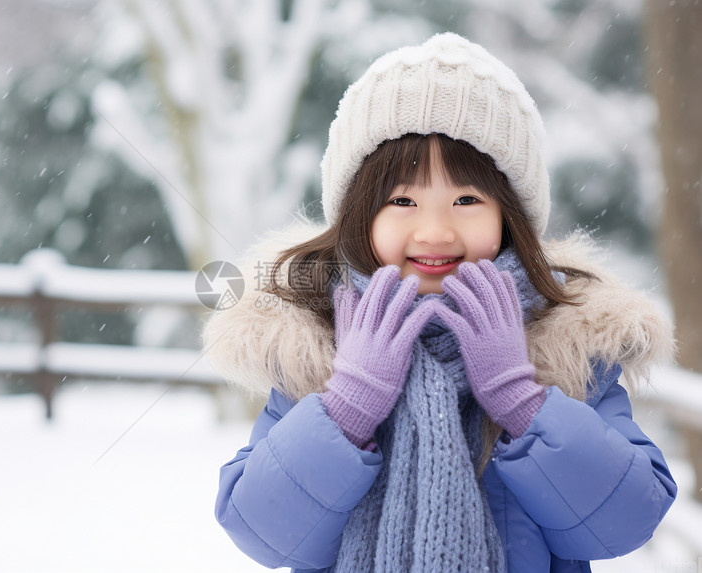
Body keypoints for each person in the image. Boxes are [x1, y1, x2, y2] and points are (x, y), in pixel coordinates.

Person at [204, 33, 677, 573]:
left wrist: (521, 398)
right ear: (360, 215)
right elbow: (265, 533)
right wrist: (348, 405)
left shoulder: (566, 344)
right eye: (402, 200)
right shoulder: (318, 343)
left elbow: (624, 521)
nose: (434, 231)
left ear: (509, 216)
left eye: (467, 199)